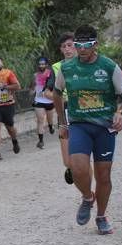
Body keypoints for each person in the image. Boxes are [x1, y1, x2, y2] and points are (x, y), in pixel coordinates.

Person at [53, 25, 122, 235]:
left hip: (104, 128)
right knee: (77, 168)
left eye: (86, 45)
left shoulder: (108, 66)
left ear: (95, 44)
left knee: (104, 175)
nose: (81, 49)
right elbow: (57, 93)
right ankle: (88, 198)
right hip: (79, 125)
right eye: (78, 45)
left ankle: (101, 216)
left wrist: (120, 113)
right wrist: (62, 123)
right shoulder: (67, 68)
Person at [48, 33, 77, 183]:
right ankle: (72, 169)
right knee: (68, 161)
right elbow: (47, 92)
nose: (67, 49)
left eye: (70, 45)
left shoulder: (88, 64)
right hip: (64, 115)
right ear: (60, 49)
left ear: (76, 46)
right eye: (64, 46)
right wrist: (60, 98)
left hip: (84, 115)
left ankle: (88, 196)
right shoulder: (56, 67)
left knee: (83, 158)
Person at [31, 57, 55, 149]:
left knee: (50, 119)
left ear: (46, 64)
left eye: (43, 64)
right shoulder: (35, 75)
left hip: (49, 100)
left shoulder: (50, 73)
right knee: (40, 120)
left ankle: (50, 126)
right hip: (39, 100)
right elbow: (32, 87)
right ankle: (41, 141)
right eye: (40, 64)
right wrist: (32, 90)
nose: (41, 65)